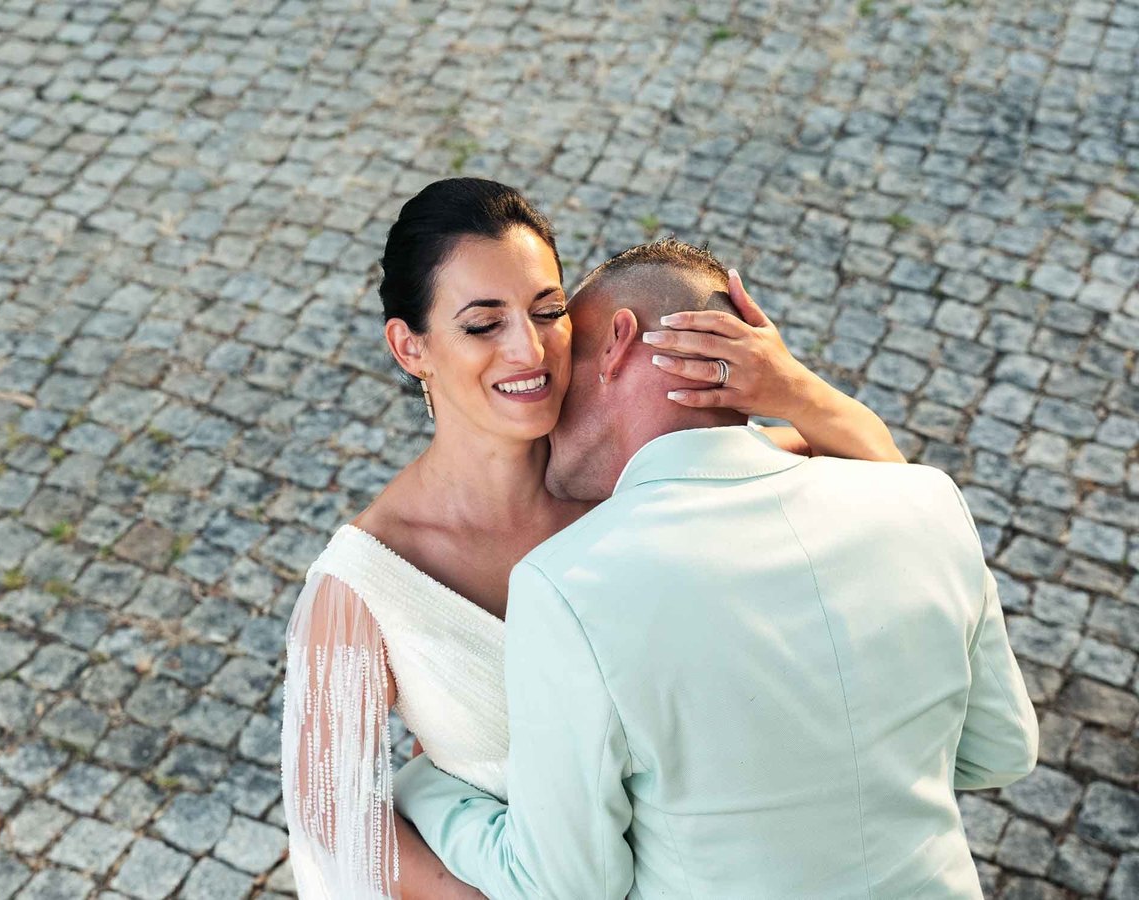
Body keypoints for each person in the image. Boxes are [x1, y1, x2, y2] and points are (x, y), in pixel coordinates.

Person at [279, 179, 906, 900]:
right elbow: (336, 824)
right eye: (484, 325)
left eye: (548, 311)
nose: (529, 349)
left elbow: (885, 482)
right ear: (410, 346)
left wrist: (792, 387)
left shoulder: (644, 469)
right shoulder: (366, 584)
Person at [392, 239, 1040, 899]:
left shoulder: (569, 587)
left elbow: (565, 886)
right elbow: (1002, 750)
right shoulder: (923, 501)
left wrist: (429, 787)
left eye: (566, 359)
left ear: (616, 344)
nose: (547, 413)